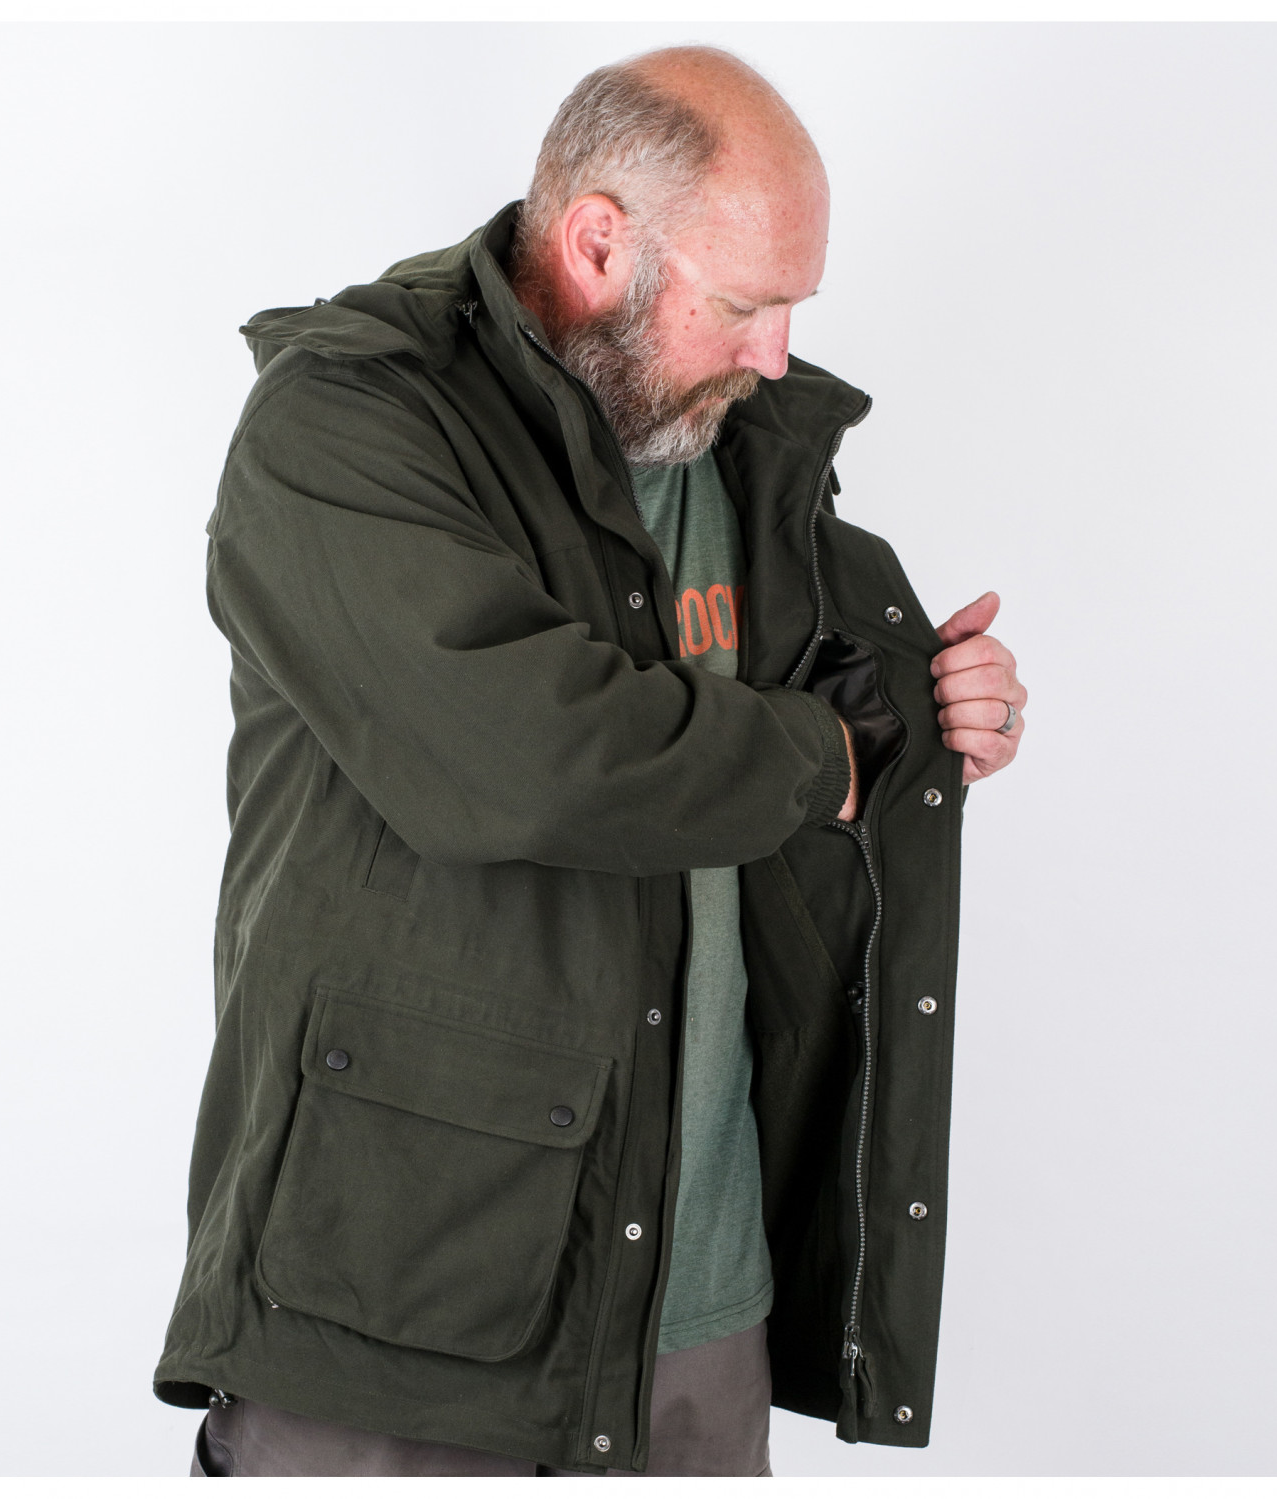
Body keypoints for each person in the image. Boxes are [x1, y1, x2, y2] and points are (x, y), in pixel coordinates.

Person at [155, 45, 1027, 1477]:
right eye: (742, 304)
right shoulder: (348, 423)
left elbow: (831, 745)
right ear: (600, 241)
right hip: (401, 1307)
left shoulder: (741, 447)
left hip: (701, 1308)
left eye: (793, 309)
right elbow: (532, 757)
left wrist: (938, 712)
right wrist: (834, 757)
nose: (776, 355)